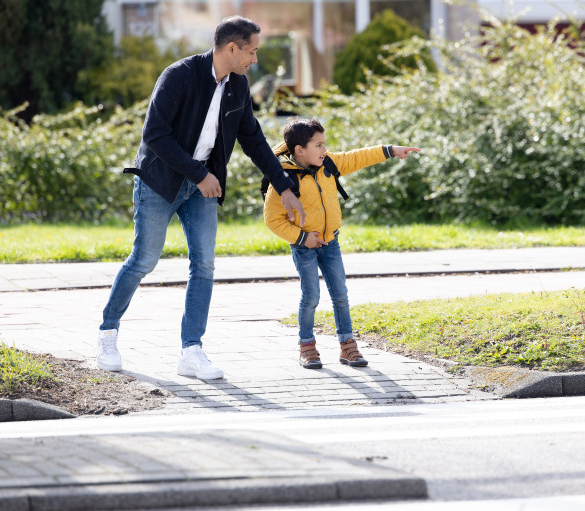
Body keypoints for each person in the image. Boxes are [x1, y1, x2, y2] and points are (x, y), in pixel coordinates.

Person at [95, 16, 306, 380]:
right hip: (160, 182)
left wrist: (284, 186)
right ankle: (107, 334)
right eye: (252, 51)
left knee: (204, 266)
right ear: (231, 48)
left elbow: (253, 139)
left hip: (202, 188)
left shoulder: (238, 86)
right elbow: (155, 135)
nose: (254, 60)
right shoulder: (178, 75)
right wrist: (200, 174)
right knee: (144, 260)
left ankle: (191, 351)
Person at [263, 117, 420, 369]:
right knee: (311, 295)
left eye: (324, 144)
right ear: (299, 150)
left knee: (340, 295)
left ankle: (348, 347)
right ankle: (307, 347)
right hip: (304, 246)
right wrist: (303, 237)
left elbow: (359, 156)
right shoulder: (283, 181)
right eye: (318, 145)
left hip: (331, 241)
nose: (324, 150)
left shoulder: (330, 164)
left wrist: (391, 150)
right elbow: (272, 220)